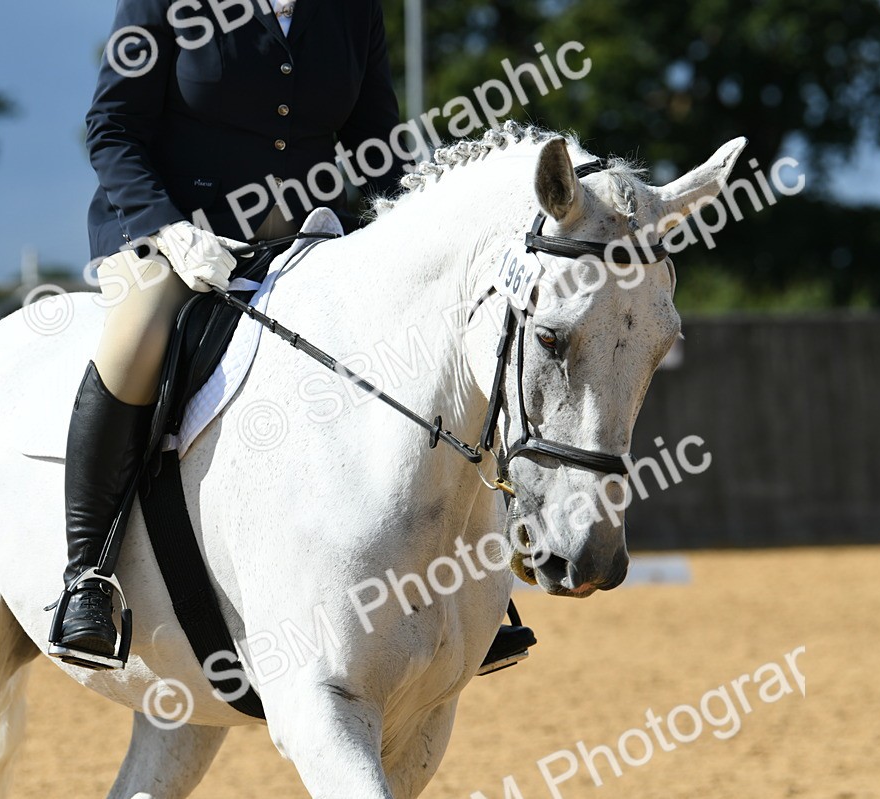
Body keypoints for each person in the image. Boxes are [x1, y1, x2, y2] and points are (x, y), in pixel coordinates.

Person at [52, 0, 535, 674]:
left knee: (433, 338)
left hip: (310, 234)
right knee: (137, 337)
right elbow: (112, 129)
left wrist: (427, 226)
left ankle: (464, 579)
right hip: (178, 235)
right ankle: (89, 578)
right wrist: (167, 225)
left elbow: (378, 146)